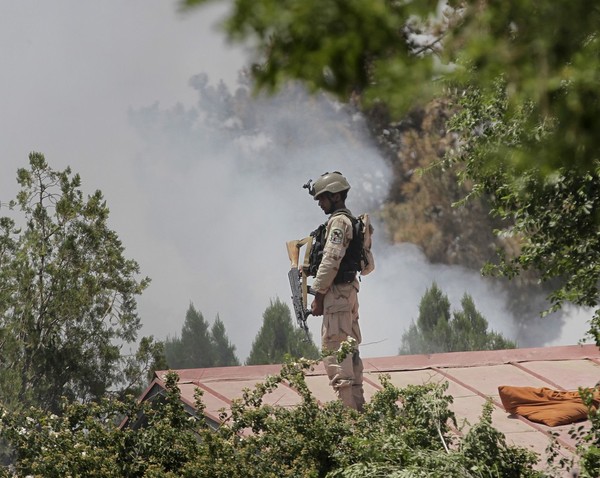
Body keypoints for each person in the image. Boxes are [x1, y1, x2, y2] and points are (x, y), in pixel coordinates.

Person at [305, 171, 365, 411]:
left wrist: (318, 298)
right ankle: (358, 412)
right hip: (346, 293)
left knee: (336, 352)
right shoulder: (347, 220)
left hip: (337, 295)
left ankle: (348, 417)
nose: (320, 203)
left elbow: (331, 260)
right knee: (349, 350)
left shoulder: (339, 222)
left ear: (336, 196)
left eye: (323, 198)